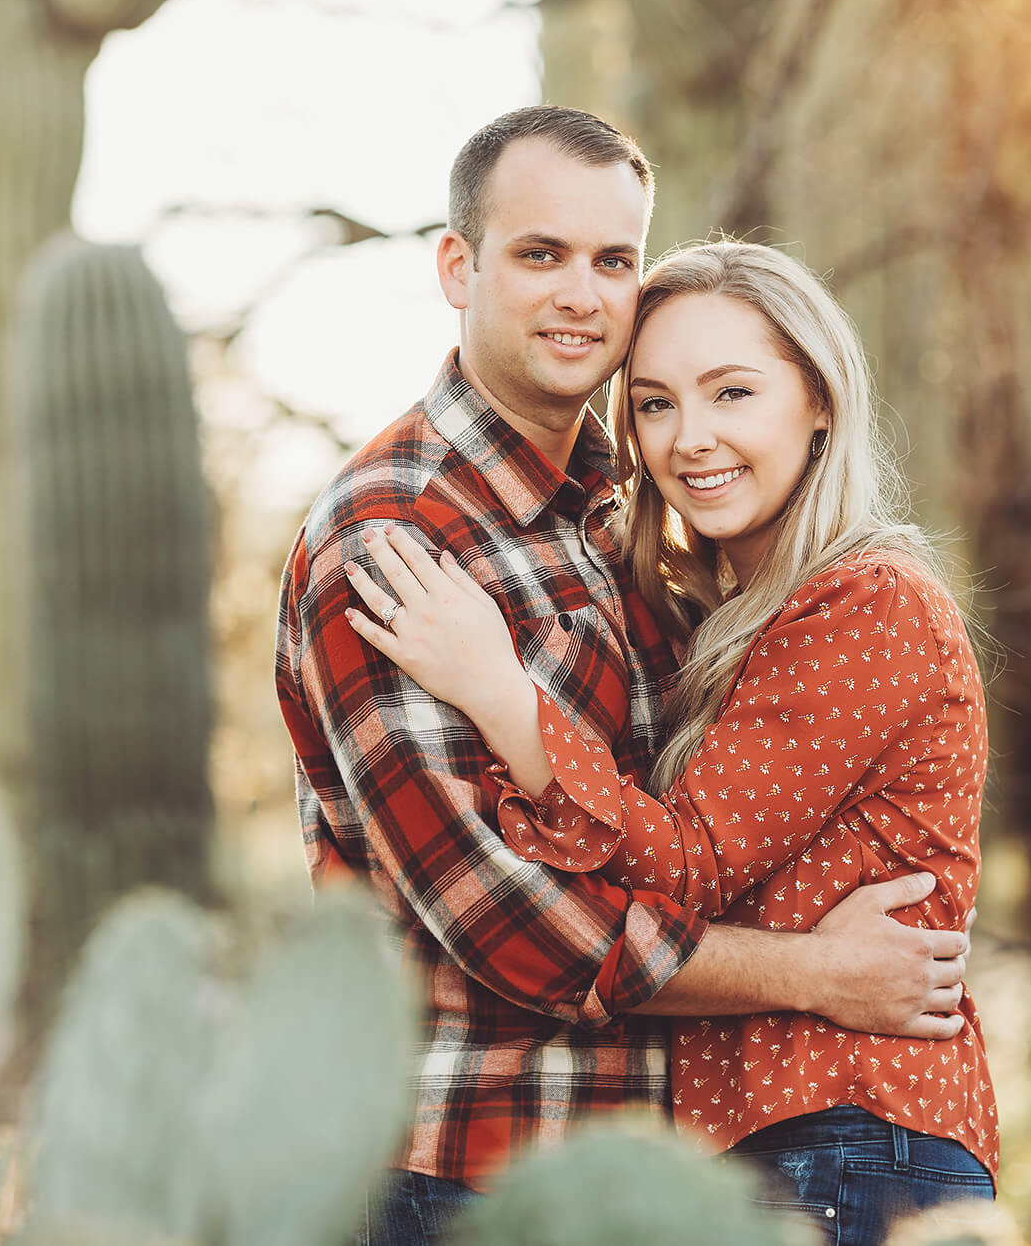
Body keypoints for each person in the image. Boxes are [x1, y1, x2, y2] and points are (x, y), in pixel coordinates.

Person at [274, 107, 971, 1246]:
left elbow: (688, 841)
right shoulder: (395, 538)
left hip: (653, 1178)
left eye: (612, 260)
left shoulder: (621, 522)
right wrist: (814, 974)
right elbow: (512, 923)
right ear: (457, 267)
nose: (580, 294)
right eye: (538, 254)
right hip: (469, 1170)